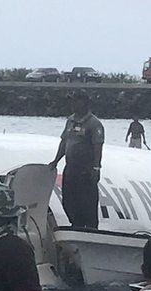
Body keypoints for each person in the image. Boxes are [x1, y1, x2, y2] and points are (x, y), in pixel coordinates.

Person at [49, 91, 105, 229]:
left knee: (87, 203)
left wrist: (96, 168)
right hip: (70, 168)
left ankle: (90, 228)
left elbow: (98, 147)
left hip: (85, 170)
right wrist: (56, 160)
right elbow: (64, 142)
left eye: (76, 101)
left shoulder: (94, 124)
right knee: (68, 201)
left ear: (84, 103)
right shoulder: (70, 121)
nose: (73, 104)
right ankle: (76, 223)